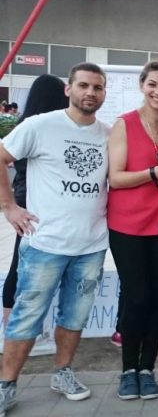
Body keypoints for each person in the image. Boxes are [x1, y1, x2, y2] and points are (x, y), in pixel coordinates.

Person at [0, 63, 110, 415]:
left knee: (74, 317)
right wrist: (9, 207)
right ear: (68, 89)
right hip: (45, 244)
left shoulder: (108, 135)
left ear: (104, 93)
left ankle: (62, 373)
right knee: (26, 317)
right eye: (84, 85)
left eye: (97, 87)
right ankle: (6, 385)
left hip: (91, 246)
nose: (90, 93)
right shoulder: (40, 125)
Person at [106, 60, 158, 400]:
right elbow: (115, 178)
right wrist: (154, 173)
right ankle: (128, 370)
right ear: (142, 85)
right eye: (152, 84)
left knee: (157, 300)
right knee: (137, 297)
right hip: (126, 226)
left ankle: (147, 369)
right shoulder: (124, 124)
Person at [1, 74, 68, 357]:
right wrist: (9, 207)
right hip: (35, 206)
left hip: (27, 202)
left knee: (22, 263)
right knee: (25, 266)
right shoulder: (41, 128)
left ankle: (12, 328)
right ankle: (15, 332)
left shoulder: (25, 124)